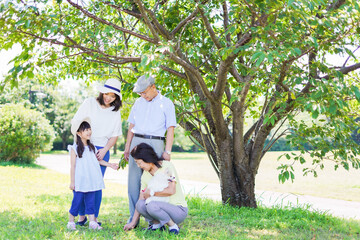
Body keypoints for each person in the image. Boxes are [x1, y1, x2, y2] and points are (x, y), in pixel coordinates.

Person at [124, 75, 177, 226]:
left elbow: (170, 128)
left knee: (155, 181)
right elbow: (131, 126)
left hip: (156, 142)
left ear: (153, 87)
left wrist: (168, 151)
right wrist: (127, 147)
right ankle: (132, 218)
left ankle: (151, 219)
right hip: (137, 140)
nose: (143, 95)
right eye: (140, 93)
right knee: (133, 181)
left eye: (144, 92)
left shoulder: (166, 103)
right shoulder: (137, 103)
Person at [71, 78, 123, 226]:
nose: (109, 98)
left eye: (113, 96)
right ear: (102, 92)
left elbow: (115, 135)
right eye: (107, 94)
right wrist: (81, 143)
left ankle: (94, 218)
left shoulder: (115, 112)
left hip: (101, 149)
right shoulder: (89, 103)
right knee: (81, 182)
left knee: (96, 185)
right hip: (84, 146)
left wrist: (104, 150)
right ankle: (81, 217)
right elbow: (76, 122)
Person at [123, 143, 188, 235]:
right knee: (140, 204)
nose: (138, 166)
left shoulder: (167, 167)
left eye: (139, 162)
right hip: (158, 207)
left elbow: (171, 190)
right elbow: (141, 198)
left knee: (151, 204)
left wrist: (152, 193)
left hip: (178, 210)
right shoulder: (145, 175)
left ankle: (172, 226)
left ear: (148, 159)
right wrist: (133, 223)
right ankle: (157, 225)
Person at [67, 118, 118, 230]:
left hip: (91, 181)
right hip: (80, 181)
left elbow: (98, 160)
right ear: (79, 133)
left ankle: (92, 223)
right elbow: (73, 166)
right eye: (86, 130)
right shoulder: (74, 148)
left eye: (90, 129)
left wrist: (110, 165)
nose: (89, 131)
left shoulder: (92, 147)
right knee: (77, 201)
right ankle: (71, 222)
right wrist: (72, 182)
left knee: (91, 202)